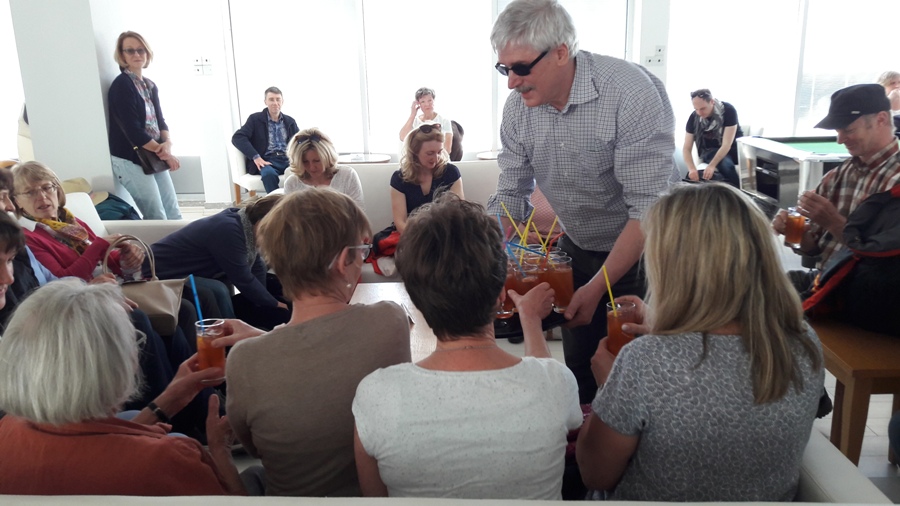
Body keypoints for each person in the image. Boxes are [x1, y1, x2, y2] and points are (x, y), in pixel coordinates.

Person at [576, 183, 824, 501]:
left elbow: (595, 474)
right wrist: (664, 329)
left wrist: (608, 386)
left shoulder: (644, 361)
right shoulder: (802, 342)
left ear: (673, 266)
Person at [486, 0, 678, 404]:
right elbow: (510, 193)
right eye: (504, 69)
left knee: (635, 372)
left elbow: (649, 211)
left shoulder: (629, 93)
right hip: (577, 248)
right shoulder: (518, 110)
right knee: (579, 370)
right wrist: (491, 255)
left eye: (521, 68)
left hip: (647, 254)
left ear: (560, 52)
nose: (512, 82)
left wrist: (597, 288)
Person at [352, 194, 581, 499]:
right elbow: (544, 377)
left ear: (415, 299)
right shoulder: (557, 381)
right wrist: (530, 320)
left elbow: (375, 499)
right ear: (501, 293)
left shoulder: (375, 395)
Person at [225, 189, 411, 496]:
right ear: (343, 261)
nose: (362, 259)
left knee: (255, 474)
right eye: (361, 251)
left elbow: (255, 448)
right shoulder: (389, 321)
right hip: (369, 494)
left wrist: (264, 339)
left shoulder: (243, 360)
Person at [0, 279, 244, 495]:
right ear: (116, 364)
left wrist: (167, 402)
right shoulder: (169, 461)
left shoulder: (8, 429)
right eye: (135, 341)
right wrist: (220, 452)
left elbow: (89, 446)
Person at [772, 84, 900, 283]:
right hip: (826, 280)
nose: (840, 140)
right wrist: (797, 233)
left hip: (870, 291)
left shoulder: (895, 182)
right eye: (838, 131)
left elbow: (883, 265)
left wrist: (833, 222)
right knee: (757, 287)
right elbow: (812, 249)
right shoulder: (837, 175)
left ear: (881, 119)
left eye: (848, 130)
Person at [150, 194, 290, 330]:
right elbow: (243, 278)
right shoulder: (229, 230)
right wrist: (276, 304)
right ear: (262, 221)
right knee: (218, 290)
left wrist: (264, 301)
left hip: (188, 272)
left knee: (228, 287)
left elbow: (257, 266)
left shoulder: (244, 223)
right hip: (160, 273)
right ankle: (229, 335)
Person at [107, 31, 182, 220]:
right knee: (157, 216)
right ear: (122, 55)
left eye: (141, 50)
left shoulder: (149, 85)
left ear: (147, 53)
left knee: (173, 211)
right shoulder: (122, 85)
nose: (136, 54)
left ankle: (185, 240)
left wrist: (168, 144)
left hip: (153, 152)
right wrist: (164, 153)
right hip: (130, 157)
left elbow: (160, 120)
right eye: (130, 50)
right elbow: (133, 131)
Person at [390, 123, 464, 234]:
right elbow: (400, 223)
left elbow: (458, 214)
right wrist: (421, 240)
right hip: (411, 234)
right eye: (430, 153)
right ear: (414, 152)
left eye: (439, 152)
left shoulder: (451, 172)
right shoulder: (399, 178)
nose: (436, 158)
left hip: (446, 234)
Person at [232, 86, 300, 194]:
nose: (275, 103)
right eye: (271, 99)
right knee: (268, 174)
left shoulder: (290, 121)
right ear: (265, 102)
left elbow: (299, 141)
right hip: (267, 160)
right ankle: (275, 202)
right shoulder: (255, 119)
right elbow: (238, 137)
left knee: (300, 173)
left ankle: (294, 202)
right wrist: (256, 157)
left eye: (278, 99)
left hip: (288, 160)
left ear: (282, 101)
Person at [284, 128, 365, 210]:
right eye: (305, 162)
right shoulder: (292, 183)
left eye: (317, 161)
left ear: (328, 157)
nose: (312, 167)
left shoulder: (347, 175)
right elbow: (290, 216)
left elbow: (358, 213)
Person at [682, 89, 743, 188]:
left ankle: (739, 193)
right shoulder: (694, 118)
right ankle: (735, 192)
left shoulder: (728, 110)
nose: (699, 113)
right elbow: (686, 148)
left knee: (728, 165)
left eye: (702, 108)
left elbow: (726, 144)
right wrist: (691, 169)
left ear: (712, 102)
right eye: (696, 109)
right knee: (725, 165)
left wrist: (712, 165)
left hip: (734, 149)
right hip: (710, 150)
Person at [398, 87, 453, 155]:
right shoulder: (415, 121)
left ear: (434, 100)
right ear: (419, 104)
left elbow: (447, 149)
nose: (427, 104)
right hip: (419, 158)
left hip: (439, 158)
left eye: (429, 100)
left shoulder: (444, 121)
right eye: (423, 102)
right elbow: (402, 137)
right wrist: (413, 114)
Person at [876, 71, 900, 136]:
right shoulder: (876, 103)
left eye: (899, 82)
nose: (897, 86)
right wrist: (889, 100)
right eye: (892, 83)